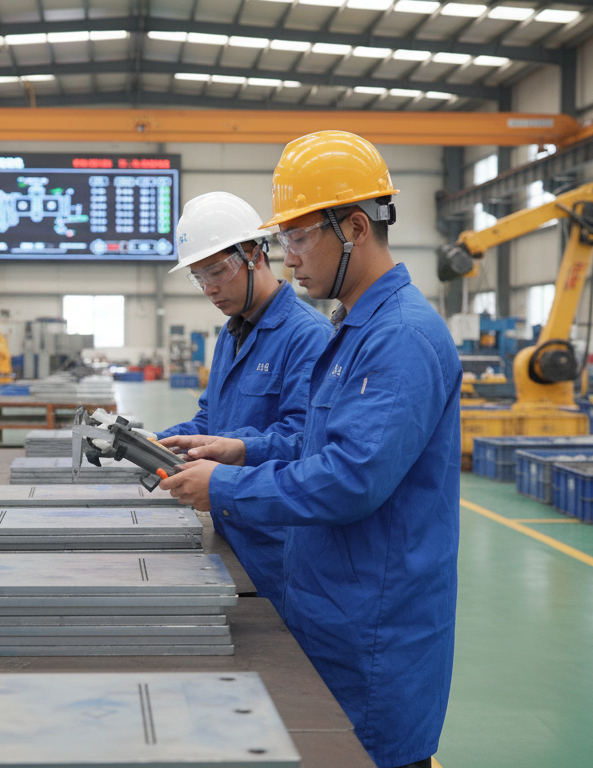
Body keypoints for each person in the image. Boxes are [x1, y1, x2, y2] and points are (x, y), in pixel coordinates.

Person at [159, 132, 460, 768]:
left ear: (354, 227)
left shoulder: (400, 338)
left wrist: (224, 486)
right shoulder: (354, 330)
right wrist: (236, 452)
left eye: (298, 237)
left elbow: (351, 478)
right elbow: (307, 442)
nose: (288, 256)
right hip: (328, 601)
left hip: (372, 627)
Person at [157, 191, 329, 610]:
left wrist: (240, 449)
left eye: (217, 270)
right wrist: (152, 442)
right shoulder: (231, 334)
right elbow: (208, 420)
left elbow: (305, 440)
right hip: (231, 529)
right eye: (199, 277)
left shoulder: (308, 335)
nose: (210, 288)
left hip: (278, 543)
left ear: (256, 254)